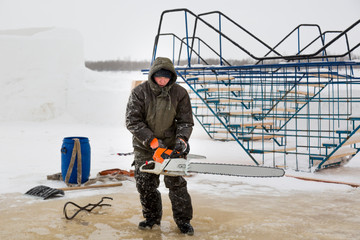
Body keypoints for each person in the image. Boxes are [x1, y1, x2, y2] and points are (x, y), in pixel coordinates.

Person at [125, 57, 195, 235]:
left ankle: (183, 222)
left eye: (166, 77)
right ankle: (152, 218)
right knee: (146, 185)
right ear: (153, 76)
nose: (162, 81)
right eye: (159, 77)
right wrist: (152, 141)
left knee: (177, 185)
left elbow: (185, 121)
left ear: (171, 77)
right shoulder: (140, 92)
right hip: (144, 146)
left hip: (171, 146)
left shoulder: (180, 93)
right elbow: (132, 121)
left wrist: (182, 140)